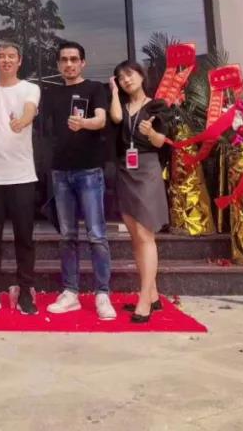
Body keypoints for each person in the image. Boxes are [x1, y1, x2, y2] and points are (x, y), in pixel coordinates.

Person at [42, 41, 116, 320]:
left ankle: (102, 294)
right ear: (58, 64)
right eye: (64, 60)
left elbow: (101, 120)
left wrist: (83, 123)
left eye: (74, 59)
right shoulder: (51, 94)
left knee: (96, 235)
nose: (69, 64)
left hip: (89, 171)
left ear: (83, 62)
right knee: (67, 236)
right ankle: (70, 292)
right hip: (60, 172)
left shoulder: (95, 89)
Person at [0, 40, 41, 315]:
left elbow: (30, 110)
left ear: (19, 61)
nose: (6, 60)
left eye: (11, 56)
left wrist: (22, 122)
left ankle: (25, 292)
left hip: (22, 175)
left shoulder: (30, 88)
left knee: (24, 238)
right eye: (1, 56)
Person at [108, 60, 169, 324]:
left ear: (142, 76)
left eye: (130, 74)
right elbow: (115, 119)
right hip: (125, 169)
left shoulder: (157, 106)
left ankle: (144, 299)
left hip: (146, 168)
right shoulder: (121, 106)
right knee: (134, 235)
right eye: (120, 77)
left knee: (145, 234)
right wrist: (113, 92)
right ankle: (152, 294)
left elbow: (161, 142)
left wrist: (151, 132)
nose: (126, 80)